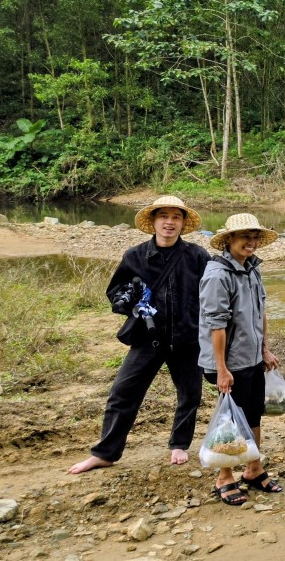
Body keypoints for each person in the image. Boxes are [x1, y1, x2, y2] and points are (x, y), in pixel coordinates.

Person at [68, 196, 210, 474]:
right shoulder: (135, 255)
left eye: (176, 217)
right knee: (122, 393)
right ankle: (105, 453)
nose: (169, 222)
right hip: (148, 338)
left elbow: (211, 294)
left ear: (183, 223)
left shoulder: (197, 256)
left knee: (190, 395)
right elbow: (115, 292)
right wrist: (131, 300)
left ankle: (179, 444)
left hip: (188, 338)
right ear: (154, 221)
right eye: (163, 216)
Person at [199, 213, 283, 505]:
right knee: (230, 421)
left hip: (251, 358)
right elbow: (216, 325)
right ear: (229, 239)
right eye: (245, 236)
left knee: (253, 414)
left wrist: (264, 349)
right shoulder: (217, 275)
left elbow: (261, 312)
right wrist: (221, 369)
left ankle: (253, 468)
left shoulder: (252, 269)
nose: (252, 242)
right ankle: (224, 476)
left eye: (255, 237)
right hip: (229, 363)